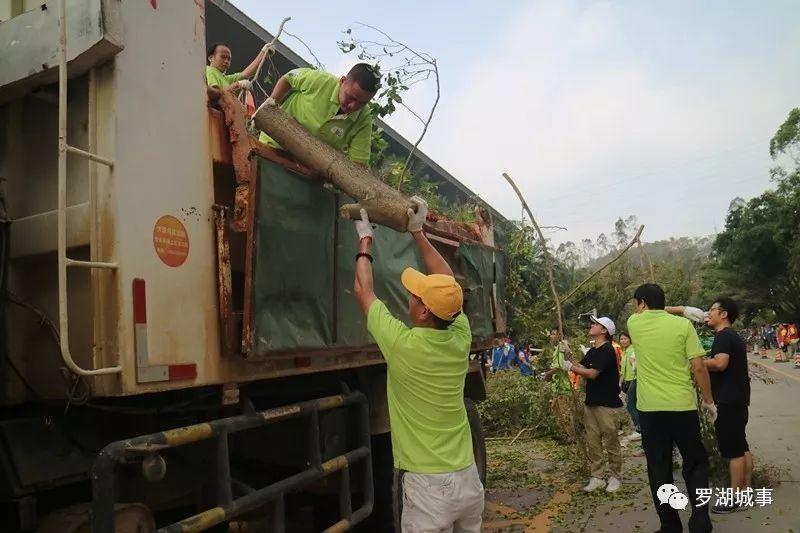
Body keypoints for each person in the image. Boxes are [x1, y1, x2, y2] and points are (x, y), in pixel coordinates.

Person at [352, 196, 483, 532]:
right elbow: (447, 282)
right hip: (468, 479)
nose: (409, 295)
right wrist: (417, 231)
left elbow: (363, 291)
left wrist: (365, 241)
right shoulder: (460, 335)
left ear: (424, 311)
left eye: (415, 294)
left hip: (428, 488)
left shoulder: (403, 346)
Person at [629, 284, 716, 533]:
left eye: (638, 304)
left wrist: (672, 308)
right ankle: (700, 522)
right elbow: (698, 367)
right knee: (695, 463)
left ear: (641, 304)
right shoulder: (684, 326)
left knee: (659, 469)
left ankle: (670, 526)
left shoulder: (634, 323)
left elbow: (652, 311)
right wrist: (709, 401)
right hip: (682, 407)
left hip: (650, 410)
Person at [258, 63, 379, 166]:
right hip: (273, 145)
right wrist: (272, 101)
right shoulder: (320, 80)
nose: (353, 106)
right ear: (342, 81)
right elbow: (289, 77)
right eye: (351, 97)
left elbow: (359, 163)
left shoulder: (364, 118)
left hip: (308, 169)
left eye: (362, 103)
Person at [702, 298, 753, 513]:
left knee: (733, 451)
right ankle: (746, 492)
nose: (708, 313)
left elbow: (720, 363)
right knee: (741, 446)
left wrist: (695, 362)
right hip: (737, 399)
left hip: (728, 400)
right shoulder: (733, 336)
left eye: (712, 310)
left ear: (723, 314)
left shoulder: (723, 336)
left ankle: (734, 499)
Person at [564, 316, 624, 493]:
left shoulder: (607, 350)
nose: (592, 325)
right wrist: (568, 356)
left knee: (611, 441)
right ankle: (597, 476)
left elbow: (592, 374)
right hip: (591, 402)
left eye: (596, 324)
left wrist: (570, 367)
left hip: (607, 404)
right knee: (593, 442)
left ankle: (615, 476)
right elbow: (582, 367)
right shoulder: (593, 350)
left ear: (604, 330)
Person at [542, 327, 576, 442]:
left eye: (554, 334)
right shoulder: (557, 348)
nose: (551, 336)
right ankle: (564, 434)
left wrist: (548, 373)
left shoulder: (562, 347)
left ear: (560, 335)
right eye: (551, 334)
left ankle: (572, 436)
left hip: (563, 386)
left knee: (565, 412)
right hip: (557, 386)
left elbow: (560, 366)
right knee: (556, 410)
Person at [205, 42, 270, 91]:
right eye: (223, 57)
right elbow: (215, 93)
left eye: (229, 59)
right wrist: (237, 84)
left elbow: (246, 74)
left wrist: (264, 53)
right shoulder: (209, 70)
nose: (226, 61)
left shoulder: (224, 78)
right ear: (211, 58)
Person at [618, 331, 641, 445]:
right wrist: (620, 383)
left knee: (631, 404)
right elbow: (623, 370)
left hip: (634, 379)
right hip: (626, 381)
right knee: (631, 404)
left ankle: (639, 429)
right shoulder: (624, 352)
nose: (623, 341)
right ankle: (638, 428)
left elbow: (634, 364)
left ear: (630, 340)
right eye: (621, 339)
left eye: (625, 339)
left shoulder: (633, 350)